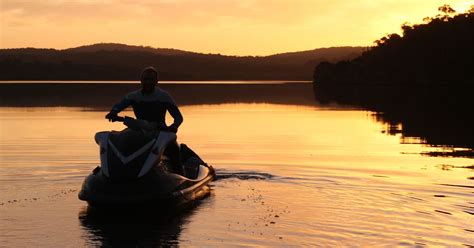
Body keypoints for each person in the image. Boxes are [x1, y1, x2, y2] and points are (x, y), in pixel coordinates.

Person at [105, 66, 183, 133]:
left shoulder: (164, 96)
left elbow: (178, 117)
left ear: (156, 81)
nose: (148, 82)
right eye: (145, 79)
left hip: (160, 131)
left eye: (150, 79)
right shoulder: (133, 96)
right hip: (138, 130)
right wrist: (113, 112)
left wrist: (174, 126)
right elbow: (119, 105)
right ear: (141, 80)